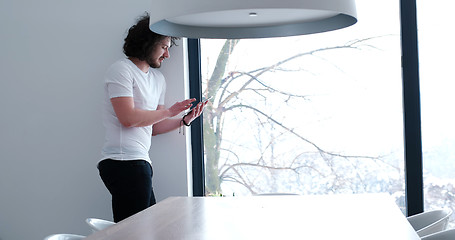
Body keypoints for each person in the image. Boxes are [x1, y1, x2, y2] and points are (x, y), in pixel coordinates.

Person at [98, 13, 207, 223]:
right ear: (148, 43)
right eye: (164, 47)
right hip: (122, 161)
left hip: (141, 163)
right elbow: (128, 118)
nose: (167, 55)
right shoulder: (121, 70)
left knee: (147, 229)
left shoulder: (158, 79)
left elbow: (153, 127)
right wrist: (169, 112)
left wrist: (183, 120)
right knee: (135, 232)